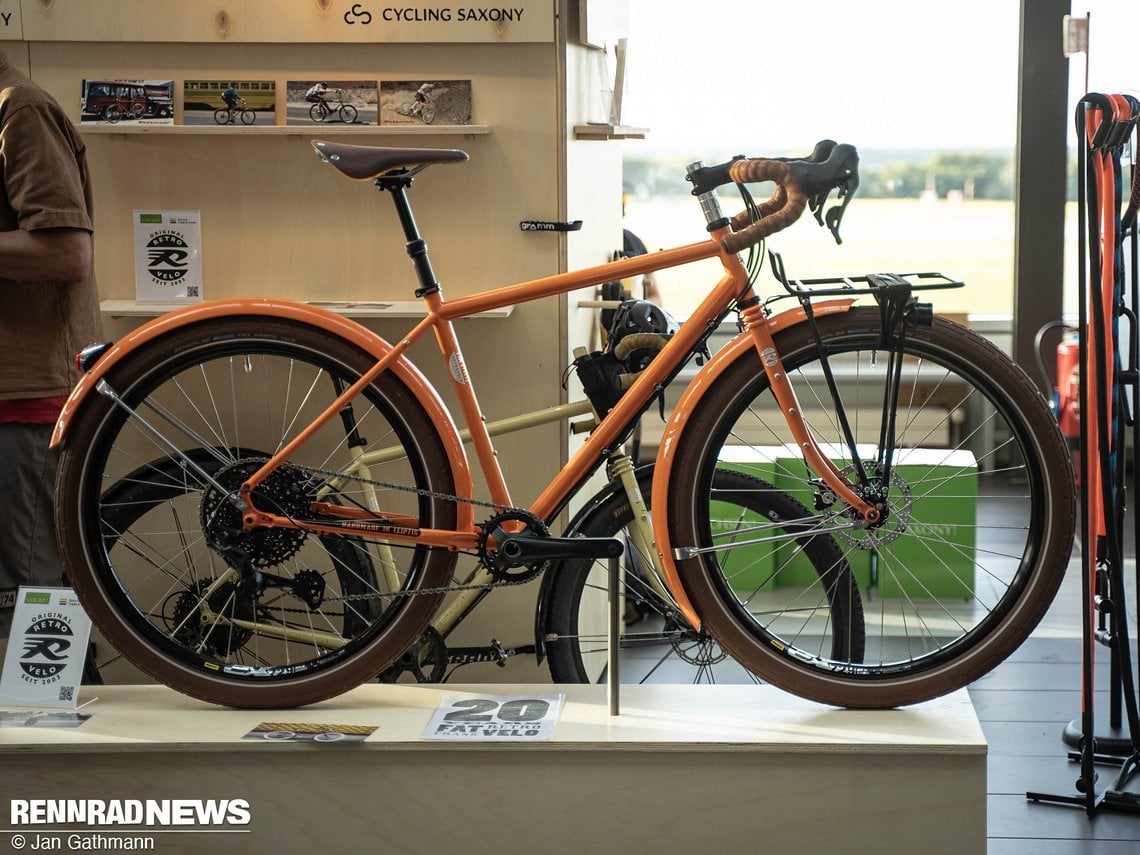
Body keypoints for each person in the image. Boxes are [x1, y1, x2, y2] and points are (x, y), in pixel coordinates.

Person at [0, 48, 101, 638]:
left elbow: (65, 253)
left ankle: (48, 724)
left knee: (32, 596)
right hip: (14, 396)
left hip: (31, 401)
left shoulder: (22, 110)